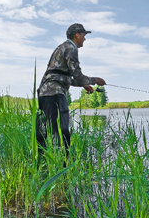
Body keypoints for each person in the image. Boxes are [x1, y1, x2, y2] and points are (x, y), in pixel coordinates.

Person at [36, 23, 105, 161]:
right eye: (84, 35)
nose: (85, 39)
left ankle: (42, 162)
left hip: (45, 94)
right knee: (62, 131)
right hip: (55, 94)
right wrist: (94, 80)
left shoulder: (61, 48)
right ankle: (64, 165)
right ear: (77, 35)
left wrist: (83, 85)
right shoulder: (70, 48)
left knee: (46, 132)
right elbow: (77, 75)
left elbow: (64, 77)